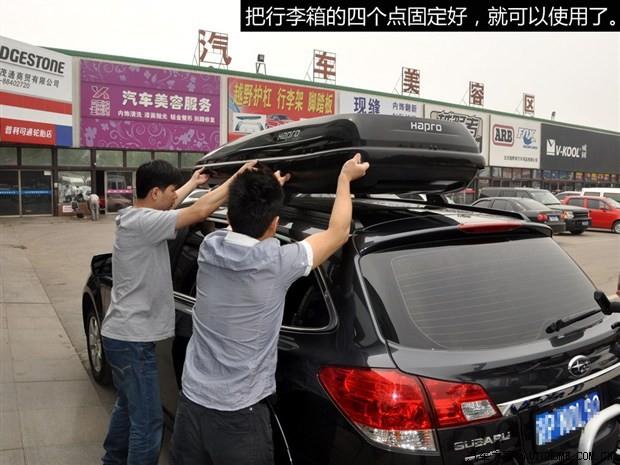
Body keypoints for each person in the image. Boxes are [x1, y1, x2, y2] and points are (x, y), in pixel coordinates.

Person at [170, 153, 370, 465]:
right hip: (239, 420)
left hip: (191, 407)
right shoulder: (276, 263)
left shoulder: (210, 247)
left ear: (231, 214)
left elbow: (234, 222)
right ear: (275, 223)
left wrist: (261, 194)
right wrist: (344, 179)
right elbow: (338, 233)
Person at [100, 158, 255, 465]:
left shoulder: (135, 217)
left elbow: (173, 205)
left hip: (122, 337)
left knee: (128, 407)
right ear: (155, 193)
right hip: (132, 341)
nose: (175, 196)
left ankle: (112, 460)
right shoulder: (146, 223)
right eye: (172, 190)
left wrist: (193, 183)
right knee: (148, 424)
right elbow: (199, 211)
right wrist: (237, 178)